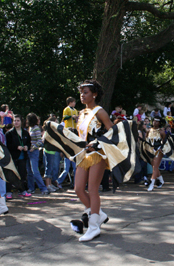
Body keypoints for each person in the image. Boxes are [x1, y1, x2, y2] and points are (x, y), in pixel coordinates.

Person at [74, 79, 113, 241]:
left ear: (94, 94)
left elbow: (113, 132)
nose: (82, 95)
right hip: (83, 155)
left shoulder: (100, 111)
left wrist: (97, 144)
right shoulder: (81, 113)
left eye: (86, 92)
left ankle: (94, 226)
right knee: (78, 189)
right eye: (81, 92)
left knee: (93, 189)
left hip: (98, 154)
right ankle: (98, 214)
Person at [140, 117, 174, 191]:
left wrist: (161, 148)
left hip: (159, 150)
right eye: (154, 121)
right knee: (154, 166)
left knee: (155, 167)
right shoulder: (149, 130)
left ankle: (152, 184)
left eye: (157, 121)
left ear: (159, 123)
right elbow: (147, 140)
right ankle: (161, 181)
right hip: (151, 150)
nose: (154, 122)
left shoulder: (161, 132)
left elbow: (165, 141)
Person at [5, 114, 31, 198]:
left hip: (22, 157)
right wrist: (16, 147)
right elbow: (7, 145)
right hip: (12, 157)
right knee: (10, 174)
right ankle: (8, 192)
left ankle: (22, 190)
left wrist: (27, 147)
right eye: (14, 121)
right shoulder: (9, 133)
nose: (16, 122)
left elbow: (29, 143)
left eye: (18, 120)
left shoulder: (25, 132)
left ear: (21, 121)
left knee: (22, 174)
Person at [26, 113, 49, 195]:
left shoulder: (36, 129)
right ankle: (31, 188)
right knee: (29, 171)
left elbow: (39, 141)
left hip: (34, 152)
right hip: (28, 151)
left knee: (35, 171)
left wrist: (33, 148)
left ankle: (43, 188)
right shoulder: (30, 128)